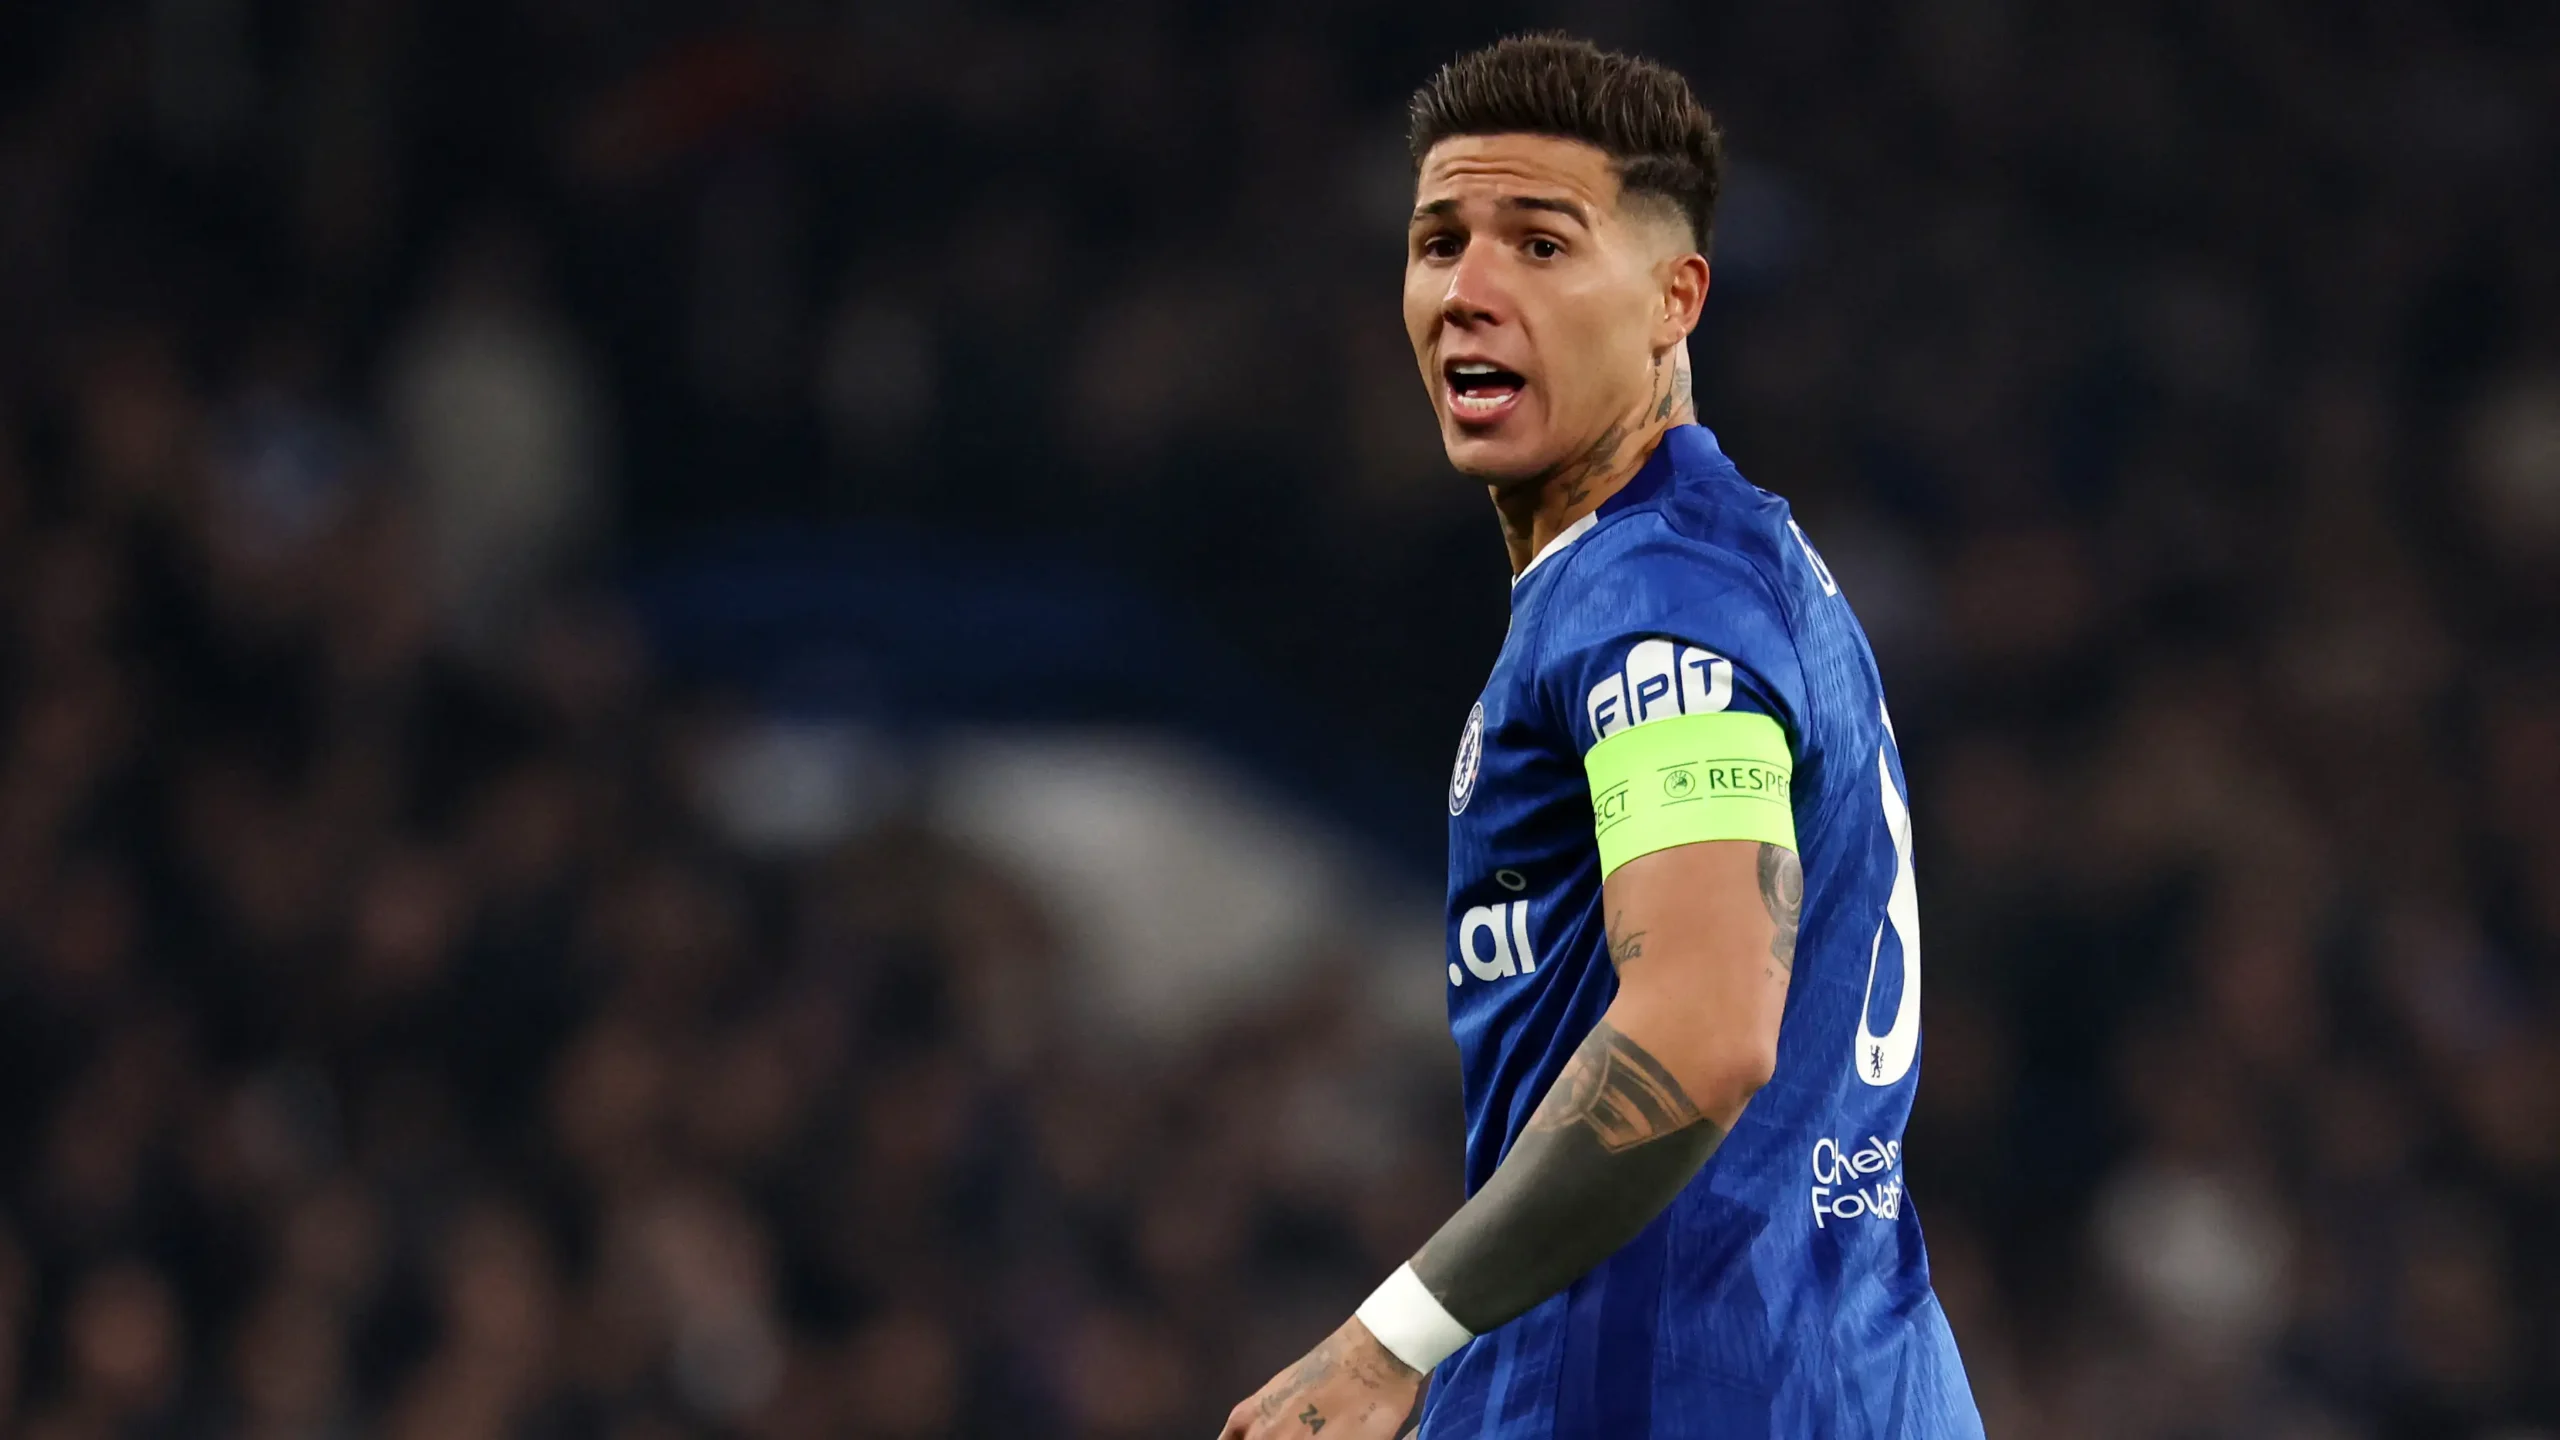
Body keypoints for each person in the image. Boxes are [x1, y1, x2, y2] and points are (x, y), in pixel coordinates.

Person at [1219, 34, 1984, 1440]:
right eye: (1440, 242)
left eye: (1541, 244)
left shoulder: (1658, 601)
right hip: (1839, 1369)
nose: (1470, 289)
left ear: (1673, 300)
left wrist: (1389, 1344)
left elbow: (1703, 1027)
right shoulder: (1713, 567)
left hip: (1679, 1391)